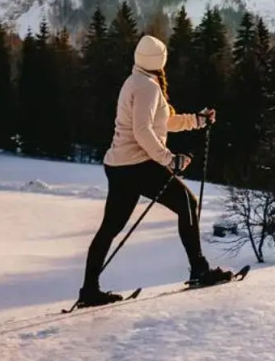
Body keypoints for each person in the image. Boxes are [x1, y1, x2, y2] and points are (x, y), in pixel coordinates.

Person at [78, 33, 233, 307]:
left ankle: (89, 290)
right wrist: (168, 159)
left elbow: (163, 121)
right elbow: (143, 131)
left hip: (119, 165)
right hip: (137, 165)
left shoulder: (136, 81)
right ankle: (199, 269)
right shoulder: (148, 87)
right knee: (188, 203)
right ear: (160, 60)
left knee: (110, 228)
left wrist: (196, 121)